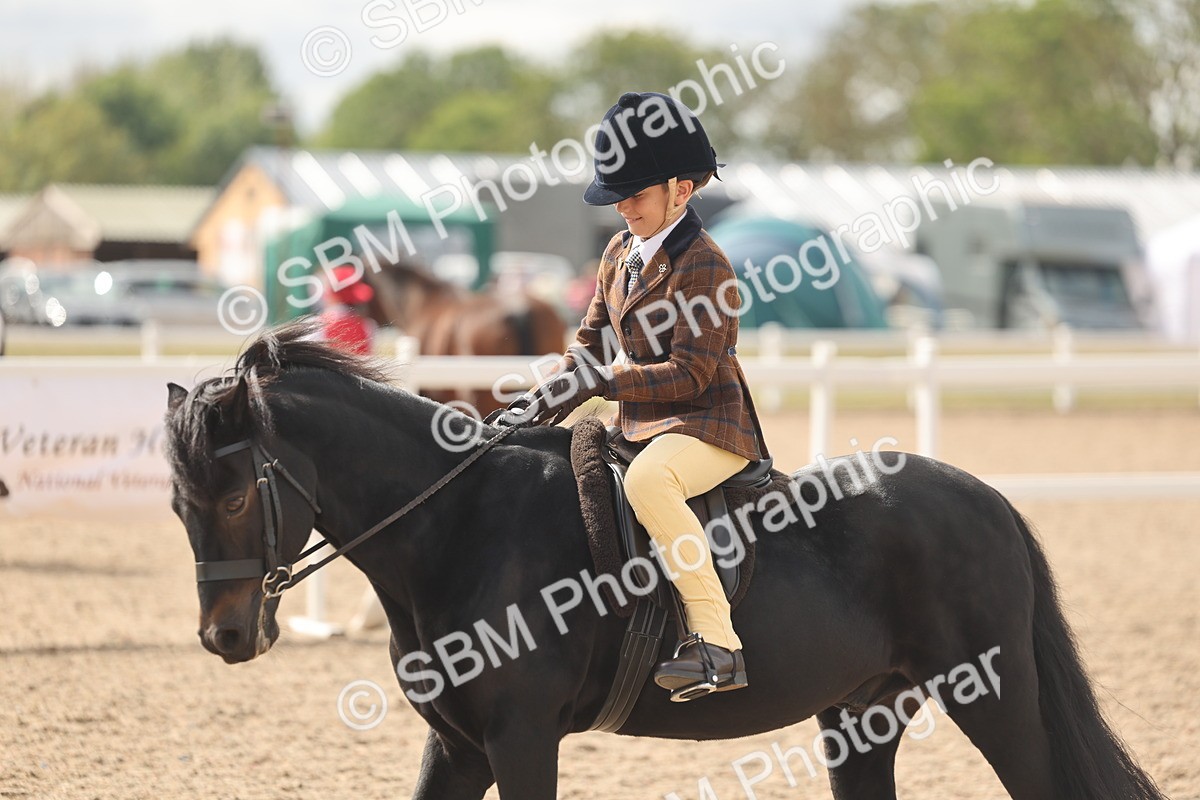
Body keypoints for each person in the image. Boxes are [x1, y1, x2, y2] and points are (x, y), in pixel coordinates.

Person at [504, 92, 770, 700]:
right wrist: (542, 401)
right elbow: (589, 349)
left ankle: (718, 644)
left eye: (636, 194)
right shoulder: (618, 254)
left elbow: (690, 375)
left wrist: (601, 382)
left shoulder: (706, 264)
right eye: (616, 195)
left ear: (681, 190)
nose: (623, 206)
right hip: (641, 424)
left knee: (650, 483)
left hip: (709, 427)